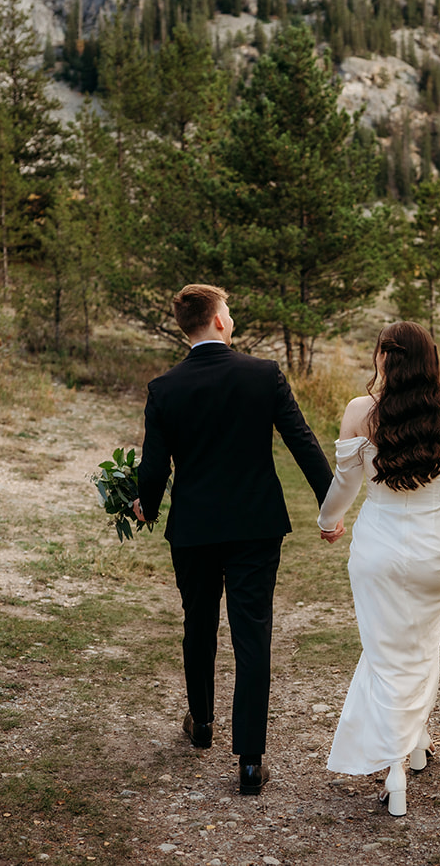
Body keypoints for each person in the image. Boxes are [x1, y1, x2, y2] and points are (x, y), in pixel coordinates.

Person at [132, 284, 333, 795]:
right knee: (252, 633)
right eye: (230, 312)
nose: (233, 317)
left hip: (194, 529)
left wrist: (144, 504)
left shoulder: (165, 388)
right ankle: (249, 759)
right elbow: (302, 440)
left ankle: (201, 724)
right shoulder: (262, 375)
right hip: (255, 526)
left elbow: (153, 467)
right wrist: (330, 508)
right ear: (219, 322)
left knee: (198, 622)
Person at [315, 321, 440, 817]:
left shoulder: (359, 413)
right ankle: (416, 742)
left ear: (383, 358)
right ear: (431, 360)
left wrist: (328, 520)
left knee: (385, 653)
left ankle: (395, 770)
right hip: (434, 550)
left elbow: (345, 484)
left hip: (377, 548)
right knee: (423, 644)